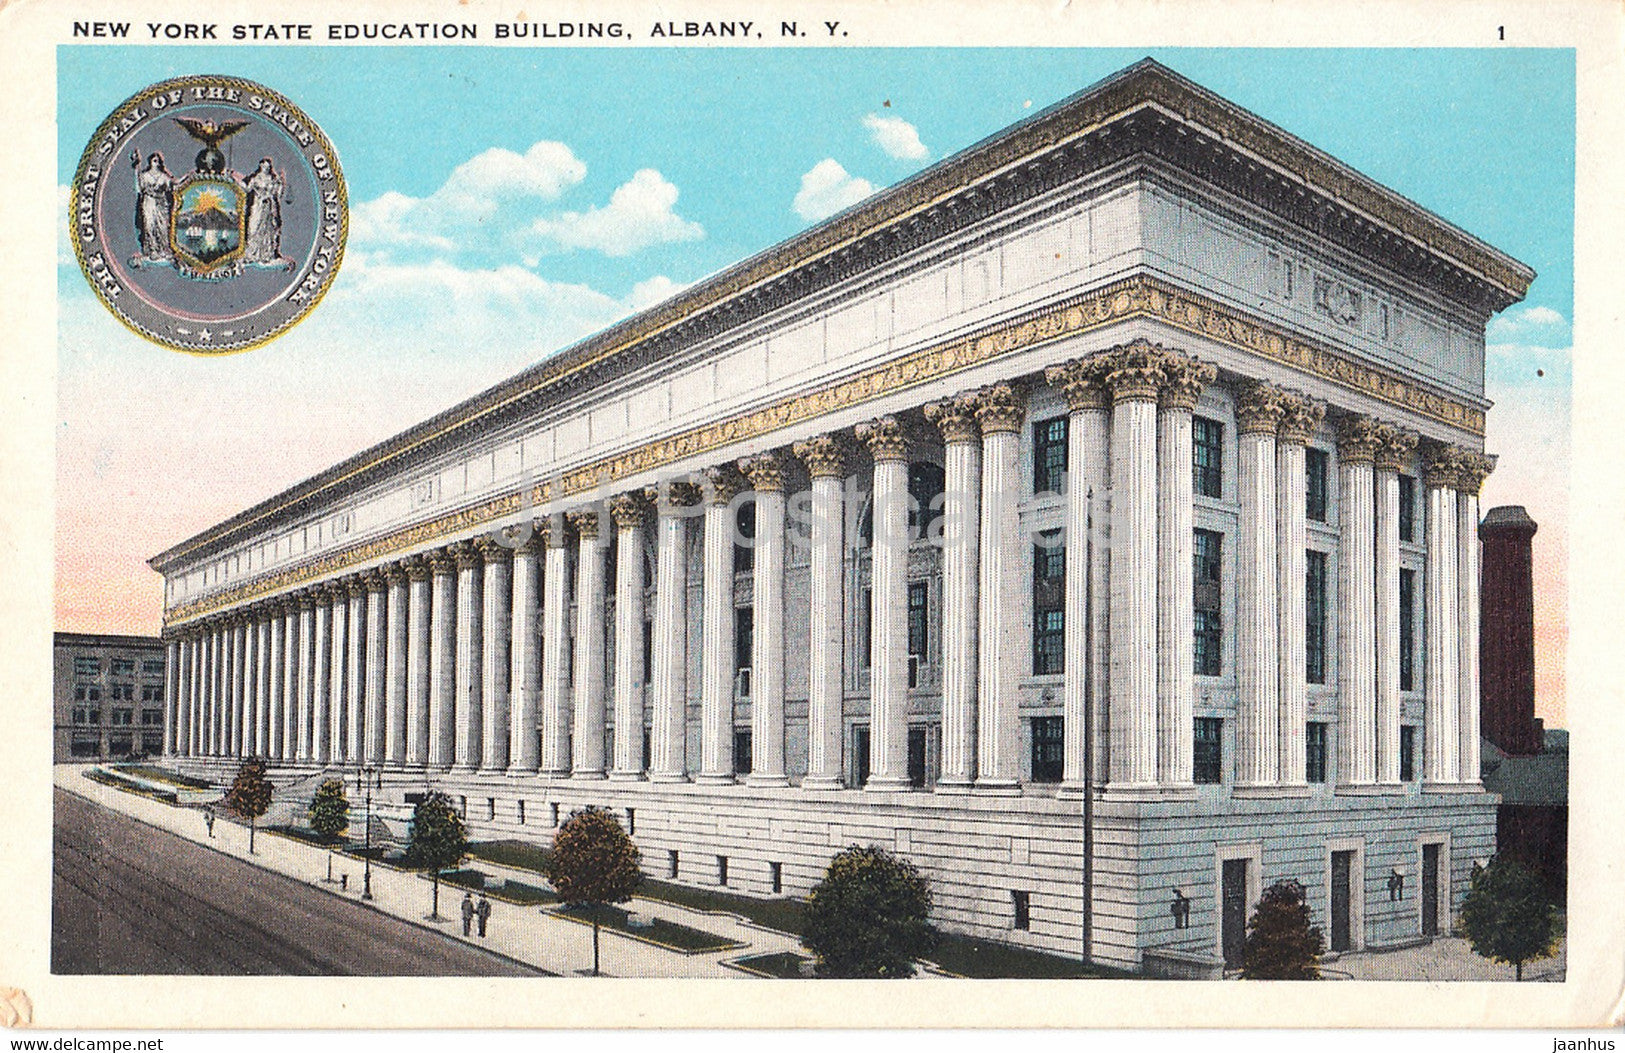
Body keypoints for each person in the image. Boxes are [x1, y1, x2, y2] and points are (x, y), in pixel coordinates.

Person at [242, 158, 287, 268]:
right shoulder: (256, 178)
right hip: (257, 206)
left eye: (268, 166)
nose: (266, 168)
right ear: (260, 166)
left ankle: (266, 255)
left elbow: (278, 194)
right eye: (264, 166)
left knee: (267, 230)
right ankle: (252, 254)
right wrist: (239, 183)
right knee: (254, 228)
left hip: (268, 208)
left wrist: (281, 184)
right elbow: (247, 190)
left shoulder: (273, 179)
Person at [132, 152, 175, 266]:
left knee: (163, 226)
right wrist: (136, 167)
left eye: (158, 161)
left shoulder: (163, 176)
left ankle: (164, 249)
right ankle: (152, 250)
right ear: (150, 162)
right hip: (149, 202)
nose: (156, 163)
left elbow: (173, 186)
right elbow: (139, 187)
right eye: (154, 161)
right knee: (150, 225)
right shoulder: (145, 176)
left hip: (161, 204)